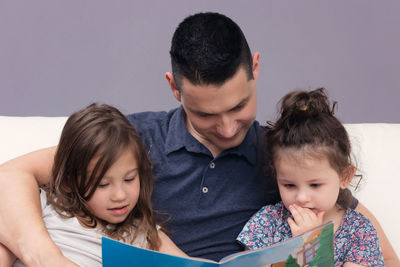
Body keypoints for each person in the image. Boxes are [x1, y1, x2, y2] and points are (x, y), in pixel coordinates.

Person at [0, 12, 398, 266]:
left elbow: (378, 249)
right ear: (174, 87)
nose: (226, 128)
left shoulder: (286, 159)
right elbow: (11, 176)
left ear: (255, 67)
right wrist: (45, 258)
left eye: (239, 106)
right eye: (205, 113)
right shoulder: (130, 141)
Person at [0, 104, 186, 266]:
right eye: (103, 184)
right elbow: (8, 242)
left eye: (129, 179)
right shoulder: (47, 206)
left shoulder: (143, 233)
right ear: (69, 182)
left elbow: (188, 263)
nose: (120, 195)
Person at [237, 88, 385, 266]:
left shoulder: (359, 231)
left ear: (344, 177)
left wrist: (312, 245)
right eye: (289, 185)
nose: (301, 198)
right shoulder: (267, 222)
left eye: (315, 185)